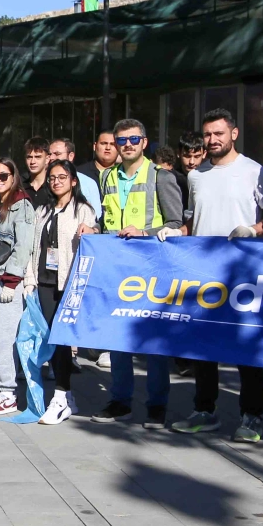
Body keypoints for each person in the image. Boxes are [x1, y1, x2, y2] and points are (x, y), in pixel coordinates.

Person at [172, 109, 263, 440]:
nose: (212, 140)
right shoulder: (196, 176)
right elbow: (194, 220)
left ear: (234, 133)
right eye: (207, 134)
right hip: (203, 272)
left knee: (246, 347)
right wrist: (176, 232)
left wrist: (254, 229)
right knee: (204, 346)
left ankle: (252, 416)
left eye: (218, 133)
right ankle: (205, 411)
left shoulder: (255, 172)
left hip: (243, 273)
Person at [92, 119, 183, 428]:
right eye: (122, 140)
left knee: (153, 341)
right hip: (117, 268)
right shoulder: (107, 176)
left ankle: (157, 406)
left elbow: (176, 224)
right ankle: (120, 401)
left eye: (134, 139)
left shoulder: (160, 176)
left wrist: (145, 232)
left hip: (151, 269)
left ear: (144, 142)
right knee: (117, 337)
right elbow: (106, 220)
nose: (127, 144)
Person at [0, 159, 40, 416]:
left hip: (6, 281)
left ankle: (8, 394)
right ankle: (3, 390)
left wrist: (11, 282)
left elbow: (23, 247)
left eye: (3, 176)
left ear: (13, 177)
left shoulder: (21, 206)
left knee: (3, 340)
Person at [36, 162, 98, 424]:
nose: (57, 181)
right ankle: (67, 396)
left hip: (68, 282)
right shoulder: (43, 210)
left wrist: (92, 230)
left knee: (62, 339)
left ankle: (61, 396)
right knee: (51, 338)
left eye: (62, 177)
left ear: (73, 181)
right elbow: (34, 248)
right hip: (43, 281)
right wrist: (29, 280)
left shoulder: (83, 209)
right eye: (52, 178)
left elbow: (94, 236)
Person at [48, 137, 102, 206]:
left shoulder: (87, 183)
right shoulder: (43, 180)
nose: (51, 158)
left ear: (71, 156)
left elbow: (95, 211)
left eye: (57, 154)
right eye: (49, 154)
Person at [22, 138, 54, 210]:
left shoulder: (53, 186)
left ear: (47, 159)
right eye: (29, 157)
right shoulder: (20, 187)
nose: (32, 162)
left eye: (38, 157)